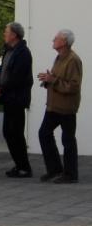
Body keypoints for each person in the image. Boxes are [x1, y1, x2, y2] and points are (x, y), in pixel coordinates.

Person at [38, 29, 83, 184]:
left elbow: (73, 86)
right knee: (44, 134)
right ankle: (55, 169)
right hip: (54, 106)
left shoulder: (73, 60)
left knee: (68, 139)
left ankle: (70, 174)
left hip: (66, 107)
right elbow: (56, 79)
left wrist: (53, 80)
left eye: (56, 38)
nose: (53, 40)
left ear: (64, 42)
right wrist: (47, 79)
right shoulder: (59, 57)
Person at [0, 22, 34, 178]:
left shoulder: (23, 53)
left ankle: (24, 167)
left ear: (14, 35)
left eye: (6, 31)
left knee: (15, 132)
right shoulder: (8, 51)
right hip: (8, 98)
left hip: (17, 98)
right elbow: (2, 71)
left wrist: (1, 89)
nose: (4, 34)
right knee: (8, 132)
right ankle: (19, 165)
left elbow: (17, 77)